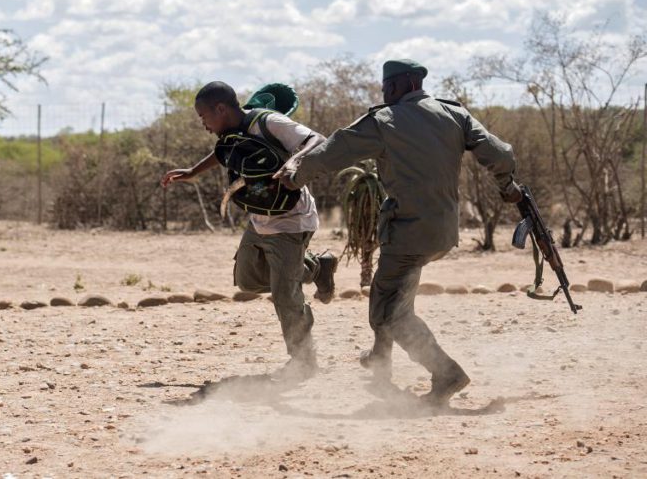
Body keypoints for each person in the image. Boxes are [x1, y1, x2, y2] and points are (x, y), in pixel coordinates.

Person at [275, 59, 522, 406]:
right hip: (444, 231)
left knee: (388, 314)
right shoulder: (454, 114)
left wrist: (296, 175)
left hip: (407, 231)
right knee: (389, 293)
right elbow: (499, 152)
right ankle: (379, 361)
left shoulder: (385, 120)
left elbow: (336, 148)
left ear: (399, 85)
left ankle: (446, 373)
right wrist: (506, 181)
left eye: (386, 87)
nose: (384, 93)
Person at [160, 81, 338, 379]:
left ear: (221, 108)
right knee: (248, 279)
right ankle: (317, 268)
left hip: (291, 219)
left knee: (284, 294)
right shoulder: (229, 131)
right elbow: (224, 152)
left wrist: (293, 163)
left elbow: (317, 140)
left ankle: (303, 361)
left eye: (204, 116)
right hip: (261, 218)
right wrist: (192, 172)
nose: (203, 124)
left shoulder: (268, 121)